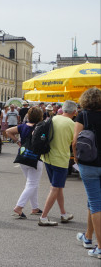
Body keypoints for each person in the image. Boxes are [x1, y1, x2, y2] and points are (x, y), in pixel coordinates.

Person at [72, 87, 101, 258]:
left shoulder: (83, 115)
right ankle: (88, 237)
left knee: (96, 204)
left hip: (88, 163)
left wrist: (75, 158)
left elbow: (75, 140)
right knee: (93, 201)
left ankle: (99, 247)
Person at [38, 100, 77, 226]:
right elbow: (74, 142)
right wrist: (76, 157)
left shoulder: (53, 118)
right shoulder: (72, 124)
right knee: (55, 188)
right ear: (74, 111)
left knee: (58, 187)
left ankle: (63, 214)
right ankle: (43, 217)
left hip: (47, 157)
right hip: (60, 159)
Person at [7, 107, 44, 218]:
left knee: (32, 183)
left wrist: (18, 141)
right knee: (32, 184)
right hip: (35, 158)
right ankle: (19, 206)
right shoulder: (39, 127)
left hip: (23, 156)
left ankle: (35, 207)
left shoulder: (22, 126)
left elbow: (8, 131)